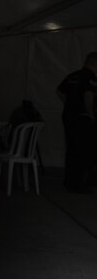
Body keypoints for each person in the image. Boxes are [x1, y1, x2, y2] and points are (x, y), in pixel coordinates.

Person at [56, 52, 97, 194]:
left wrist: (69, 104)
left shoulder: (73, 75)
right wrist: (90, 113)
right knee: (84, 150)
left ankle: (70, 182)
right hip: (82, 117)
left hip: (69, 116)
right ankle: (79, 183)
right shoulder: (90, 77)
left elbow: (59, 91)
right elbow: (89, 95)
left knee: (72, 149)